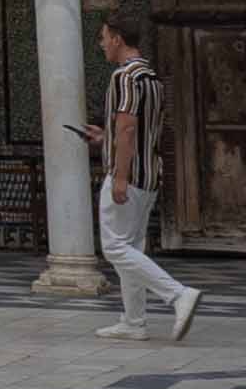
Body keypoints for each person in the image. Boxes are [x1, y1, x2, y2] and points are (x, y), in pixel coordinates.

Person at [74, 21, 202, 342]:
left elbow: (129, 128)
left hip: (129, 174)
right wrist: (105, 138)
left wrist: (119, 175)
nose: (101, 44)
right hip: (148, 173)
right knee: (131, 247)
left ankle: (178, 294)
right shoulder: (152, 78)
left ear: (117, 39)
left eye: (103, 38)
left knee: (116, 247)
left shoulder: (124, 76)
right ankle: (133, 321)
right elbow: (136, 129)